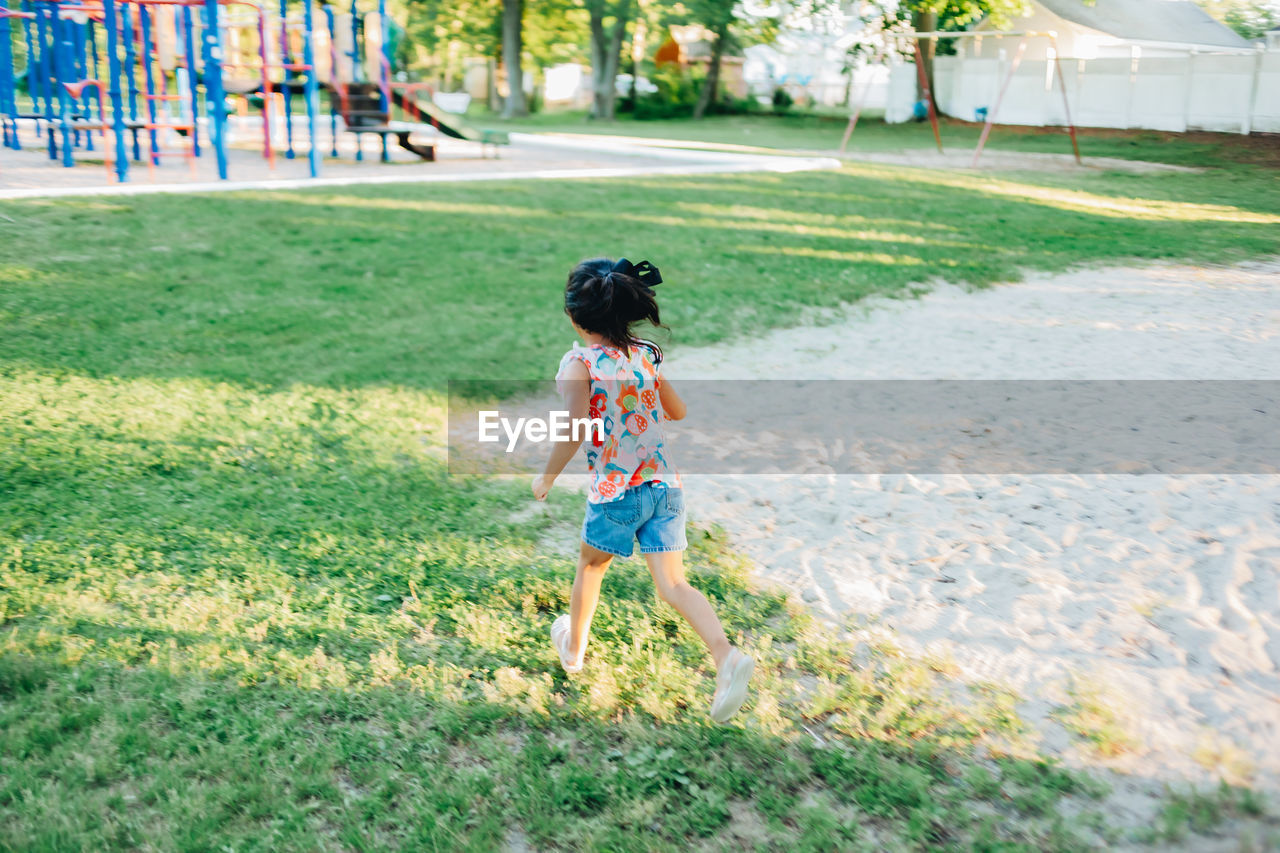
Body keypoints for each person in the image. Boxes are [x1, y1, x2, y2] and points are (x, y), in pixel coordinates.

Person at [531, 257, 754, 723]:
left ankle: (573, 650)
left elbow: (573, 430)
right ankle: (726, 657)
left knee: (590, 568)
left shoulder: (579, 364)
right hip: (664, 485)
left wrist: (547, 475)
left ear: (574, 318)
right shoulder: (647, 354)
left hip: (616, 491)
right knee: (674, 583)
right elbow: (678, 410)